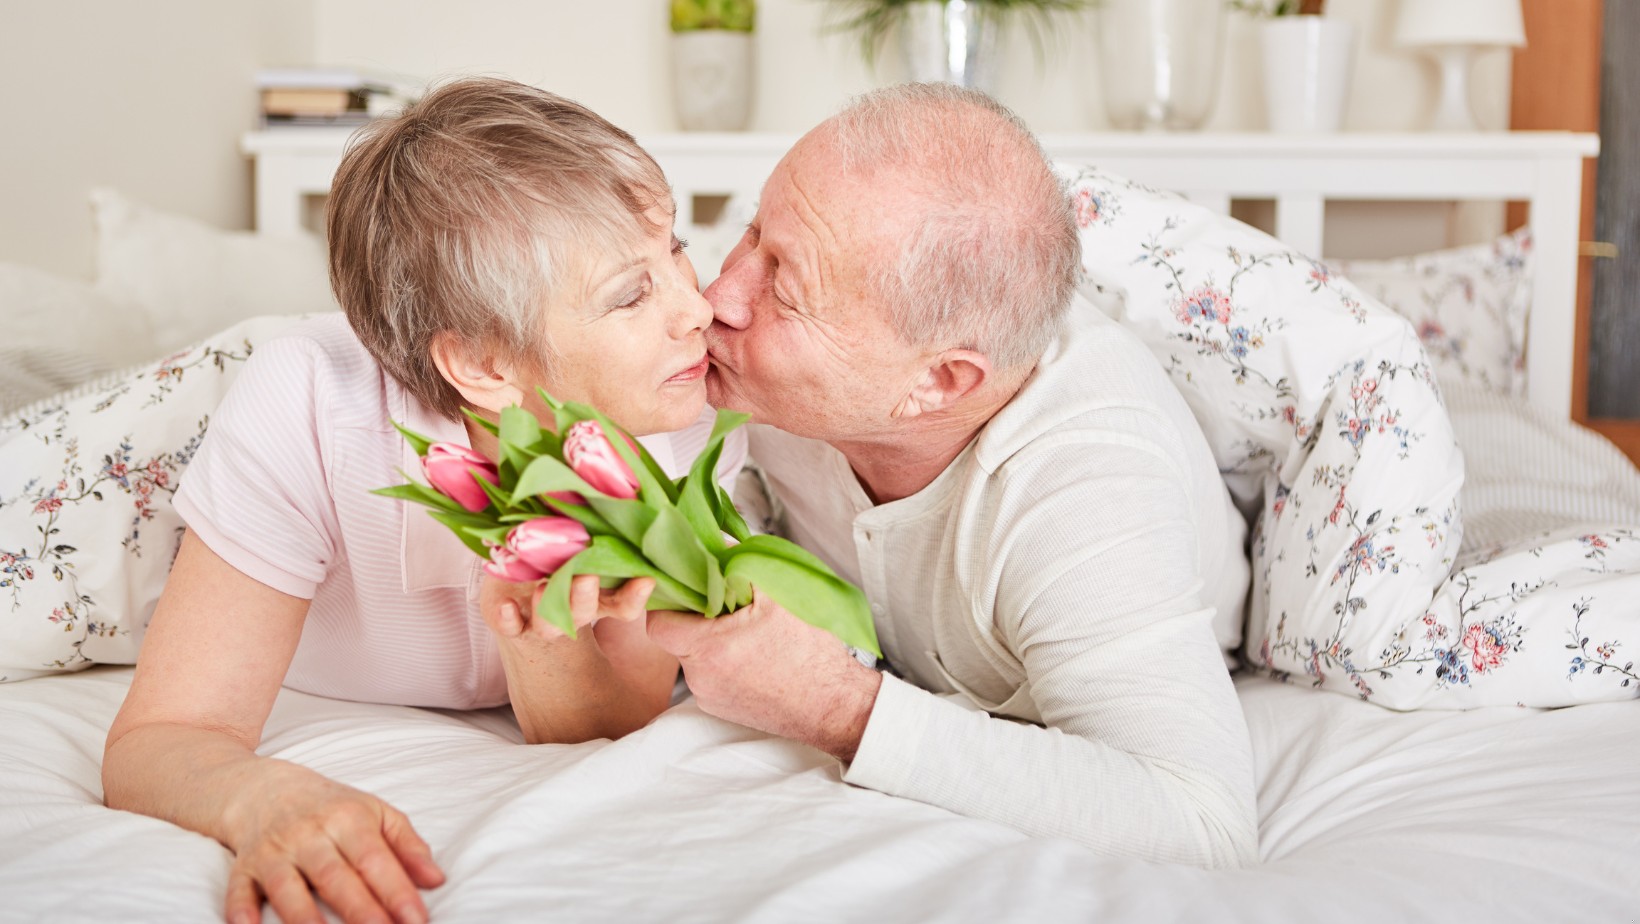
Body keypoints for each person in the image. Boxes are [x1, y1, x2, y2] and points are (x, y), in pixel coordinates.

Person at [102, 77, 743, 924]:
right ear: (483, 365)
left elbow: (608, 719)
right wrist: (263, 799)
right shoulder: (304, 405)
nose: (701, 309)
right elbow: (159, 737)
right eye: (632, 293)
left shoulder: (681, 416)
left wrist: (533, 637)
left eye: (679, 250)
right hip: (123, 479)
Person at [645, 83, 1258, 868]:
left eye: (785, 289)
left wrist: (840, 708)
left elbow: (1202, 822)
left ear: (936, 384)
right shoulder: (755, 371)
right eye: (753, 231)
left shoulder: (1084, 484)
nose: (717, 299)